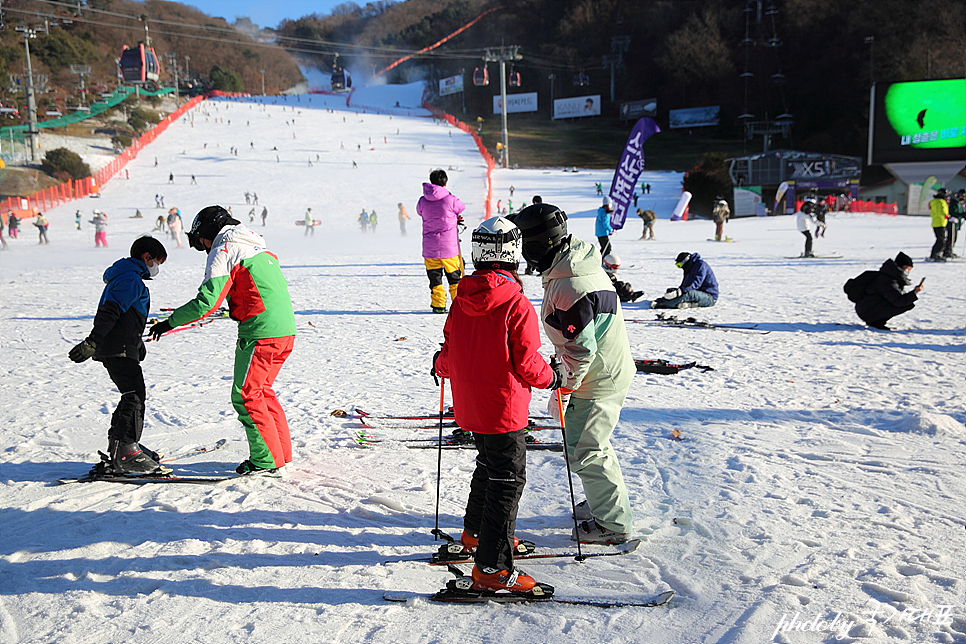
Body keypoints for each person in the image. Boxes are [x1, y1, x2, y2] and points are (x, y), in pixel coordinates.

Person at [432, 216, 561, 595]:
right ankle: (492, 566)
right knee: (507, 482)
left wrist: (439, 366)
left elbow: (450, 350)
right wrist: (551, 377)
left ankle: (476, 535)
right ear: (514, 255)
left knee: (489, 470)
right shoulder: (516, 303)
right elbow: (526, 361)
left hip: (472, 407)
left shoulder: (461, 300)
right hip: (504, 409)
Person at [509, 203, 635, 544]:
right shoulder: (570, 267)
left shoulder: (570, 284)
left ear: (540, 244)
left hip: (597, 378)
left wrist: (561, 389)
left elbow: (581, 350)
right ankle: (602, 502)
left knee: (586, 448)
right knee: (584, 445)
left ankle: (612, 522)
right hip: (600, 370)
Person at [148, 206, 297, 476]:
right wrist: (238, 308)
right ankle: (280, 453)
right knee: (262, 391)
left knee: (246, 395)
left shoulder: (225, 249)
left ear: (207, 232)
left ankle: (266, 460)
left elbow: (207, 301)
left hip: (260, 333)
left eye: (200, 241)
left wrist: (169, 323)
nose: (203, 248)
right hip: (284, 330)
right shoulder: (258, 248)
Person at [68, 236, 168, 474]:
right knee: (134, 395)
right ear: (147, 258)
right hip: (117, 348)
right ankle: (126, 451)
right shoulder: (130, 279)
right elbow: (110, 312)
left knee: (131, 394)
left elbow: (125, 316)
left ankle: (121, 446)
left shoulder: (126, 277)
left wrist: (136, 342)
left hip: (122, 346)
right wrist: (93, 341)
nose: (157, 268)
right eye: (157, 262)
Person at [417, 169, 466, 314]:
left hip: (430, 247)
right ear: (445, 182)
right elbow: (461, 207)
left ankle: (438, 305)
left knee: (435, 278)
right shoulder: (450, 199)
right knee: (454, 278)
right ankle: (459, 305)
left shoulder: (422, 200)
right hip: (448, 247)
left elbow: (419, 211)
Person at [854, 252, 923, 330]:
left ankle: (878, 321)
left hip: (866, 308)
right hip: (867, 310)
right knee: (905, 304)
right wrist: (914, 293)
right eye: (907, 268)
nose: (908, 271)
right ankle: (875, 321)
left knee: (907, 303)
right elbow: (898, 301)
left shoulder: (891, 276)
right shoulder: (888, 280)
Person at [651, 252, 718, 309]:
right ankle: (689, 304)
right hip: (698, 294)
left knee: (689, 294)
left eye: (679, 265)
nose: (680, 268)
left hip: (710, 297)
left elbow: (696, 283)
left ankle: (665, 304)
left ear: (685, 262)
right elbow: (685, 285)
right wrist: (676, 292)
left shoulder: (700, 265)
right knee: (683, 293)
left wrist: (681, 291)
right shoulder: (688, 268)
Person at [929, 189, 949, 262]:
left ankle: (933, 254)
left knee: (939, 239)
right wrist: (948, 216)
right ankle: (937, 254)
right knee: (941, 240)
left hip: (935, 222)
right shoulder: (942, 202)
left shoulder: (933, 201)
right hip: (941, 222)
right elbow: (943, 212)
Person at [942, 189, 963, 259]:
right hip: (952, 223)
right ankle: (947, 251)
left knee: (954, 238)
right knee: (951, 238)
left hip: (956, 223)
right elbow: (953, 212)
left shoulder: (959, 203)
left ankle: (950, 250)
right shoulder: (954, 202)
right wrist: (961, 214)